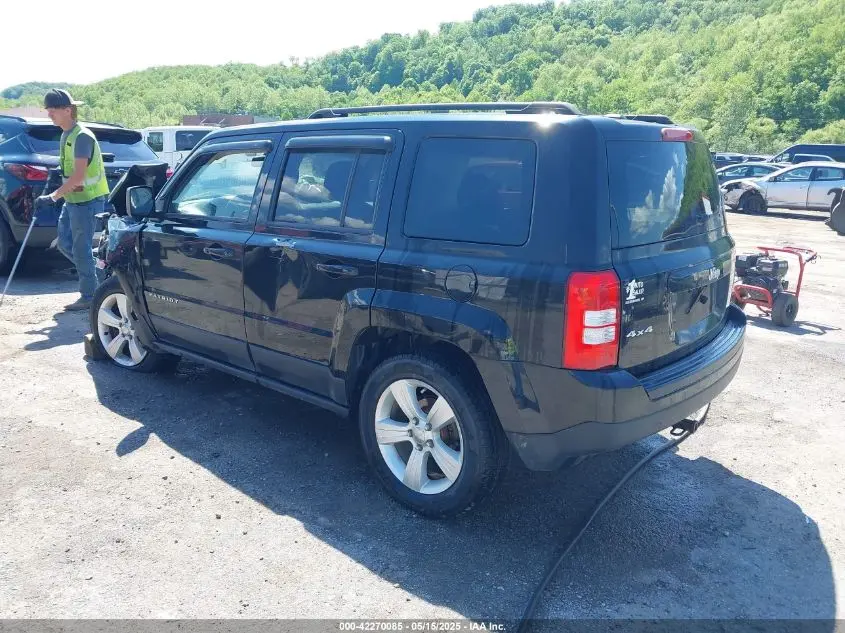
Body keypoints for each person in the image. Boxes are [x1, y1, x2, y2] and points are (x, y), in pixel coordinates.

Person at [35, 88, 109, 311]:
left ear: (68, 110)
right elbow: (71, 170)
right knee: (66, 244)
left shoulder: (82, 136)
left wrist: (52, 196)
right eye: (48, 110)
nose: (49, 114)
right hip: (74, 199)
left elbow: (79, 176)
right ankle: (104, 277)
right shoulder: (66, 134)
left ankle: (89, 295)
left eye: (53, 110)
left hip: (88, 200)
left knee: (80, 248)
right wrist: (58, 172)